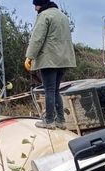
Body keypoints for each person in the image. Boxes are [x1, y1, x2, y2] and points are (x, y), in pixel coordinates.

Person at [25, 0, 76, 129]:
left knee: (49, 90)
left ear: (40, 4)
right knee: (55, 90)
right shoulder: (62, 16)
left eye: (35, 5)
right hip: (63, 59)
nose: (35, 9)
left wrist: (29, 56)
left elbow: (37, 38)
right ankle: (60, 120)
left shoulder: (44, 16)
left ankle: (48, 121)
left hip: (49, 59)